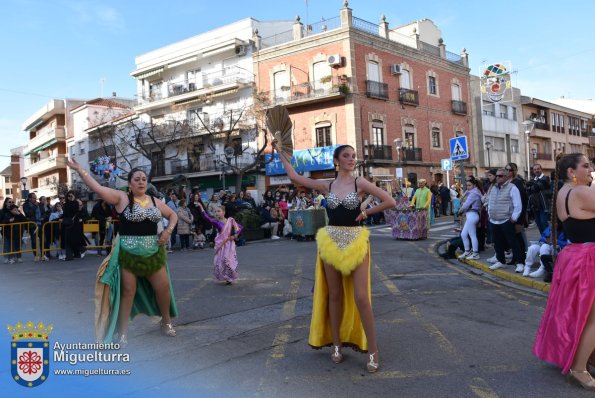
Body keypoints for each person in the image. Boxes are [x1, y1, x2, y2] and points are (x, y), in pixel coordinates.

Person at [274, 142, 396, 373]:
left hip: (356, 241)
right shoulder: (326, 185)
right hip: (331, 242)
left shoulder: (359, 182)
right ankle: (337, 344)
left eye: (354, 155)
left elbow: (390, 201)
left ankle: (373, 350)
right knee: (335, 295)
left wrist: (365, 212)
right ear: (337, 160)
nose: (352, 159)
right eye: (347, 156)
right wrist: (279, 151)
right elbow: (294, 175)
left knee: (361, 297)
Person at [67, 159, 179, 345]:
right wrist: (80, 170)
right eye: (137, 179)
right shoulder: (121, 198)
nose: (141, 182)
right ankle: (123, 332)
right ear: (130, 183)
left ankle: (166, 322)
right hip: (129, 253)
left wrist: (168, 231)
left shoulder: (154, 201)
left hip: (153, 253)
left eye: (144, 179)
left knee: (163, 288)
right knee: (127, 291)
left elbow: (173, 215)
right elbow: (97, 187)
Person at [533, 153, 595, 389]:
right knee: (593, 317)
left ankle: (587, 356)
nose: (590, 170)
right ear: (571, 172)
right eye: (586, 166)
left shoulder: (563, 193)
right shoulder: (581, 192)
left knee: (582, 313)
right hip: (588, 258)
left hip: (575, 256)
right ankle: (579, 369)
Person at [486, 168, 524, 272]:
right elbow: (490, 202)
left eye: (500, 176)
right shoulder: (494, 188)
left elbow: (518, 205)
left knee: (513, 242)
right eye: (497, 176)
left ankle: (520, 263)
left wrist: (513, 219)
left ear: (507, 177)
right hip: (494, 220)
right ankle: (501, 261)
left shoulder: (512, 188)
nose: (497, 177)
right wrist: (489, 214)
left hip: (506, 220)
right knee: (497, 242)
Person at [196, 202, 243, 285]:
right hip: (221, 244)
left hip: (229, 244)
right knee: (221, 261)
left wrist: (235, 235)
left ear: (223, 212)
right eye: (215, 212)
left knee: (228, 260)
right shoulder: (216, 222)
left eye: (218, 211)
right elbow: (206, 218)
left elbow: (240, 228)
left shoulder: (230, 220)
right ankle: (226, 277)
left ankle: (230, 276)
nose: (216, 213)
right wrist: (201, 207)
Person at [457, 176, 483, 260]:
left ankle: (475, 253)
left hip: (472, 214)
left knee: (472, 235)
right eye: (467, 185)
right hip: (470, 215)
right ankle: (467, 251)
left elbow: (466, 205)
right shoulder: (472, 192)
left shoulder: (474, 193)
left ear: (474, 185)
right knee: (464, 234)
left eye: (469, 185)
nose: (468, 187)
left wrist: (459, 211)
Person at [527, 163, 552, 234]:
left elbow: (537, 187)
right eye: (535, 169)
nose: (536, 170)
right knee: (539, 224)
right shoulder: (533, 180)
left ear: (541, 169)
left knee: (544, 223)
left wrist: (531, 187)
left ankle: (548, 240)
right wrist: (532, 187)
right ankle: (543, 239)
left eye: (538, 169)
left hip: (543, 205)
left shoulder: (546, 178)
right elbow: (528, 190)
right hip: (535, 205)